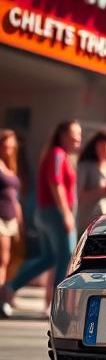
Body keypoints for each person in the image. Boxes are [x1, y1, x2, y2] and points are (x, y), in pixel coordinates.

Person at [0, 120, 81, 319]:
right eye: (74, 134)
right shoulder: (57, 155)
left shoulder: (56, 155)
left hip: (46, 213)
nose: (78, 139)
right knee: (67, 256)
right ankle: (57, 305)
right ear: (62, 135)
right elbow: (56, 184)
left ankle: (11, 286)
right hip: (54, 213)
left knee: (49, 257)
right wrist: (66, 213)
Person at [0, 130, 25, 317]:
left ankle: (4, 296)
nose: (8, 149)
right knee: (2, 260)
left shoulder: (11, 165)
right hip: (0, 218)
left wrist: (20, 221)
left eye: (11, 146)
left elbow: (15, 199)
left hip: (11, 220)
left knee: (9, 261)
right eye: (5, 145)